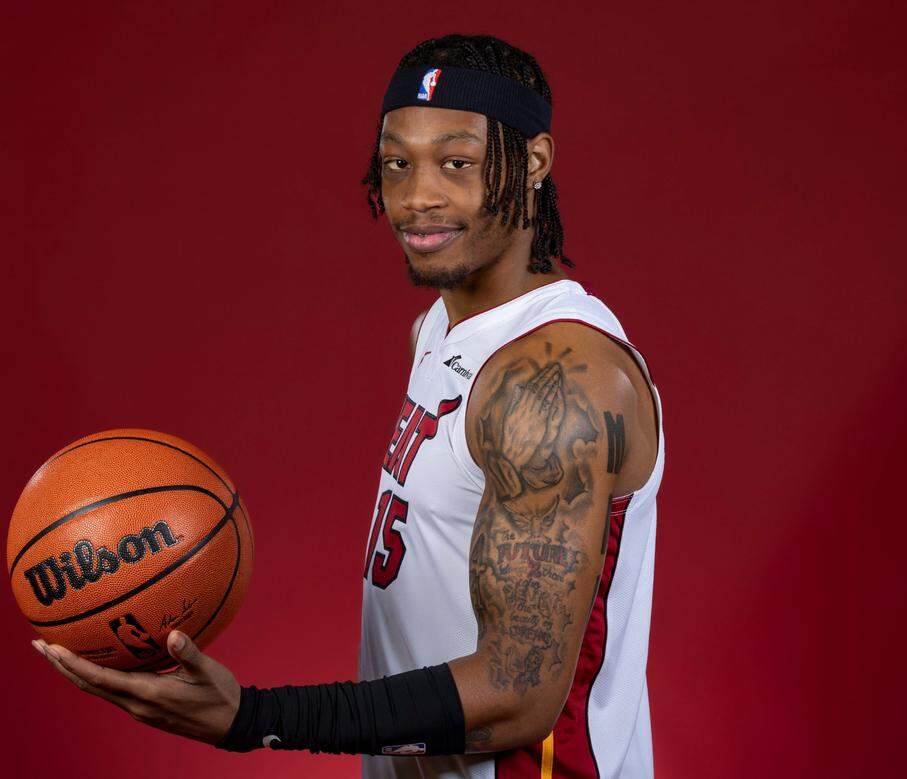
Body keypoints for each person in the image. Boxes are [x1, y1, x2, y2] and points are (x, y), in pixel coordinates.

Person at [33, 33, 665, 779]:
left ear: (533, 162)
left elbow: (516, 697)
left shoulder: (553, 384)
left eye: (456, 163)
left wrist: (253, 718)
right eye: (397, 163)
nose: (417, 196)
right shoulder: (440, 330)